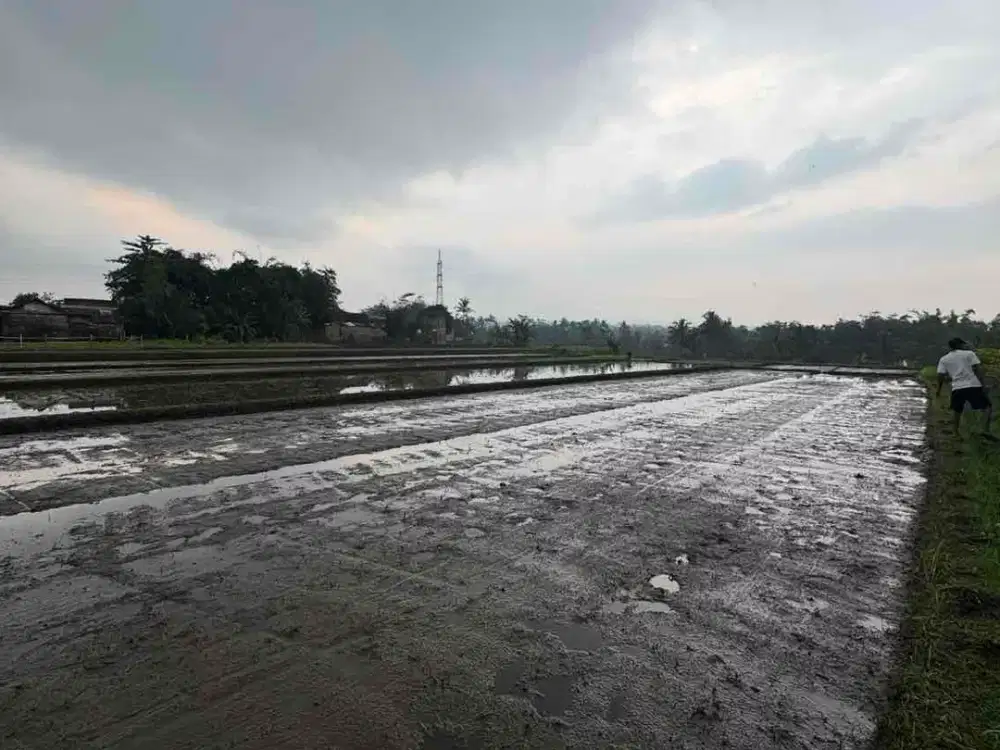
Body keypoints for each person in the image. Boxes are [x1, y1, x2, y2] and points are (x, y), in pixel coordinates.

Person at [936, 338, 994, 437]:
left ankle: (955, 433)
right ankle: (984, 429)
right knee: (987, 407)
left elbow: (940, 375)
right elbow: (977, 369)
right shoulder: (969, 354)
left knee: (957, 410)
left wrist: (938, 390)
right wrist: (983, 385)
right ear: (960, 345)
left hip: (957, 387)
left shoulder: (944, 359)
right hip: (973, 385)